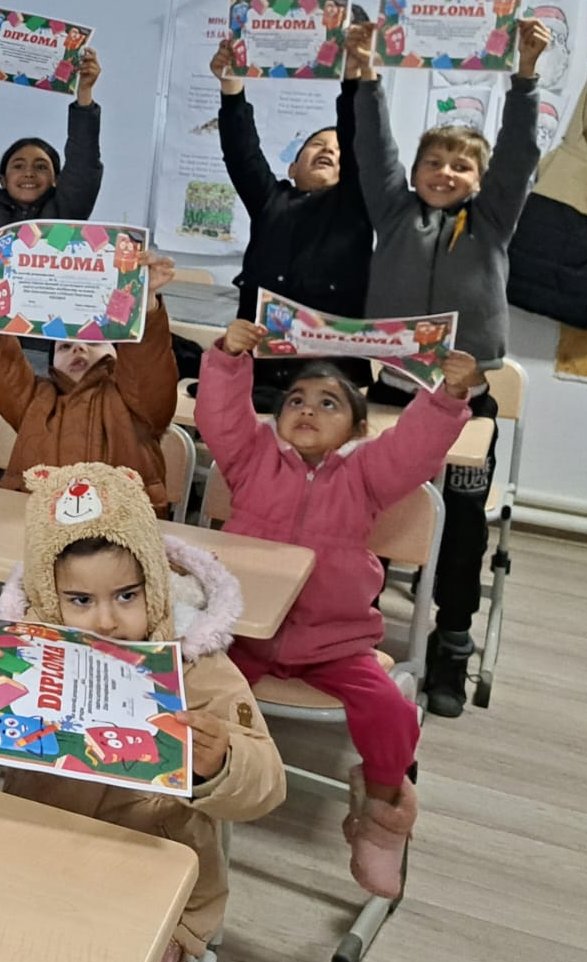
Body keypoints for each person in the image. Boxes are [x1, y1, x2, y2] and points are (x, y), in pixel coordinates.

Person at [0, 462, 284, 962]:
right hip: (35, 865)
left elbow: (268, 784)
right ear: (48, 598)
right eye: (79, 601)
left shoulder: (196, 664)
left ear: (155, 584)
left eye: (126, 596)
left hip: (155, 898)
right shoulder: (30, 649)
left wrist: (221, 761)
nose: (105, 621)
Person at [197, 320, 483, 899]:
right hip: (245, 634)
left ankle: (380, 817)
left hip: (334, 643)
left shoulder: (367, 475)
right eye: (296, 400)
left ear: (356, 429)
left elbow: (413, 447)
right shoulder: (251, 461)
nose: (308, 408)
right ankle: (179, 789)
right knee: (188, 687)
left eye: (329, 403)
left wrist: (449, 395)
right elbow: (220, 417)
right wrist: (228, 358)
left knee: (392, 711)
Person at [355, 15, 549, 716]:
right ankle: (357, 619)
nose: (445, 173)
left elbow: (520, 155)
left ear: (480, 180)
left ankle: (453, 641)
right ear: (414, 173)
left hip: (468, 399)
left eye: (461, 166)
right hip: (392, 390)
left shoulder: (492, 222)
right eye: (433, 162)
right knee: (374, 504)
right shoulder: (392, 212)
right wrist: (366, 75)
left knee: (462, 519)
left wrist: (524, 76)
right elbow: (372, 147)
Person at [0, 253, 180, 509]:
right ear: (52, 363)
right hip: (38, 522)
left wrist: (146, 304)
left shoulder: (137, 404)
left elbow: (148, 364)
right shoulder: (33, 401)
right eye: (64, 346)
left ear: (119, 352)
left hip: (120, 525)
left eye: (94, 342)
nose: (79, 348)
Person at [211, 10, 375, 341]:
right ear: (292, 168)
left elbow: (357, 137)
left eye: (338, 150)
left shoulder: (356, 204)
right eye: (317, 145)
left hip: (329, 360)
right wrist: (231, 86)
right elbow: (242, 154)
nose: (329, 151)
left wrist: (352, 79)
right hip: (258, 354)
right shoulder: (272, 200)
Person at [0, 45, 104, 247]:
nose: (29, 173)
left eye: (41, 167)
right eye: (18, 166)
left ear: (56, 179)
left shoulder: (67, 211)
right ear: (3, 180)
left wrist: (85, 93)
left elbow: (83, 160)